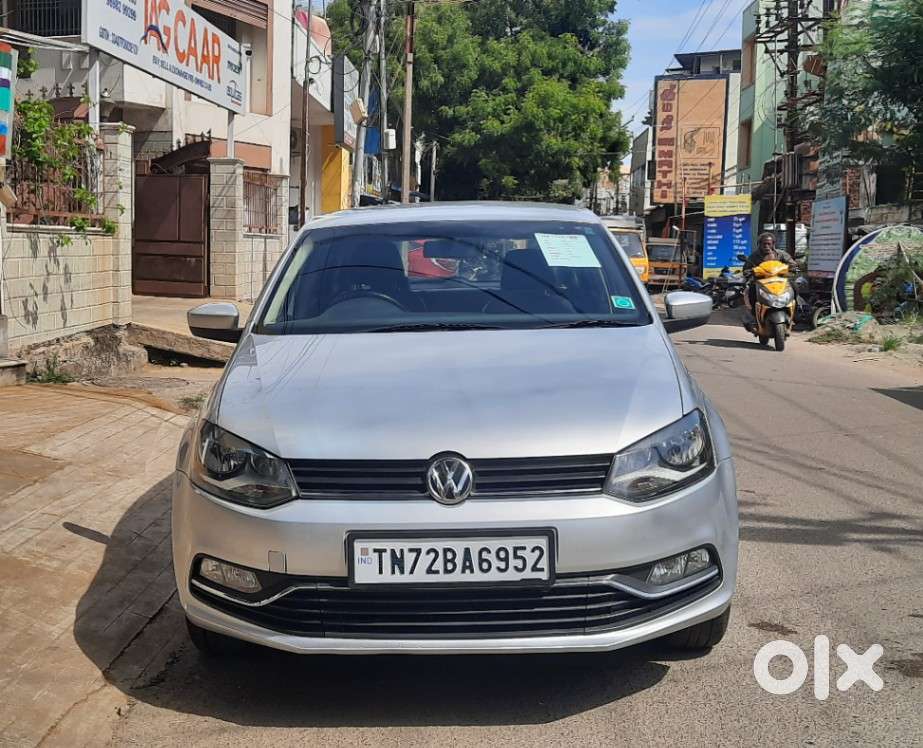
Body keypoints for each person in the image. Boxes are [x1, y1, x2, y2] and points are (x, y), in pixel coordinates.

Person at [743, 232, 797, 315]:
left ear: (773, 244)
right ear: (759, 244)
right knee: (752, 290)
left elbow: (792, 264)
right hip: (762, 282)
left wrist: (790, 268)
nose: (766, 246)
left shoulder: (781, 254)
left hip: (780, 281)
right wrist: (750, 272)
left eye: (769, 244)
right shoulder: (754, 256)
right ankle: (754, 312)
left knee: (794, 286)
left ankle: (796, 307)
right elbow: (746, 269)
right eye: (764, 244)